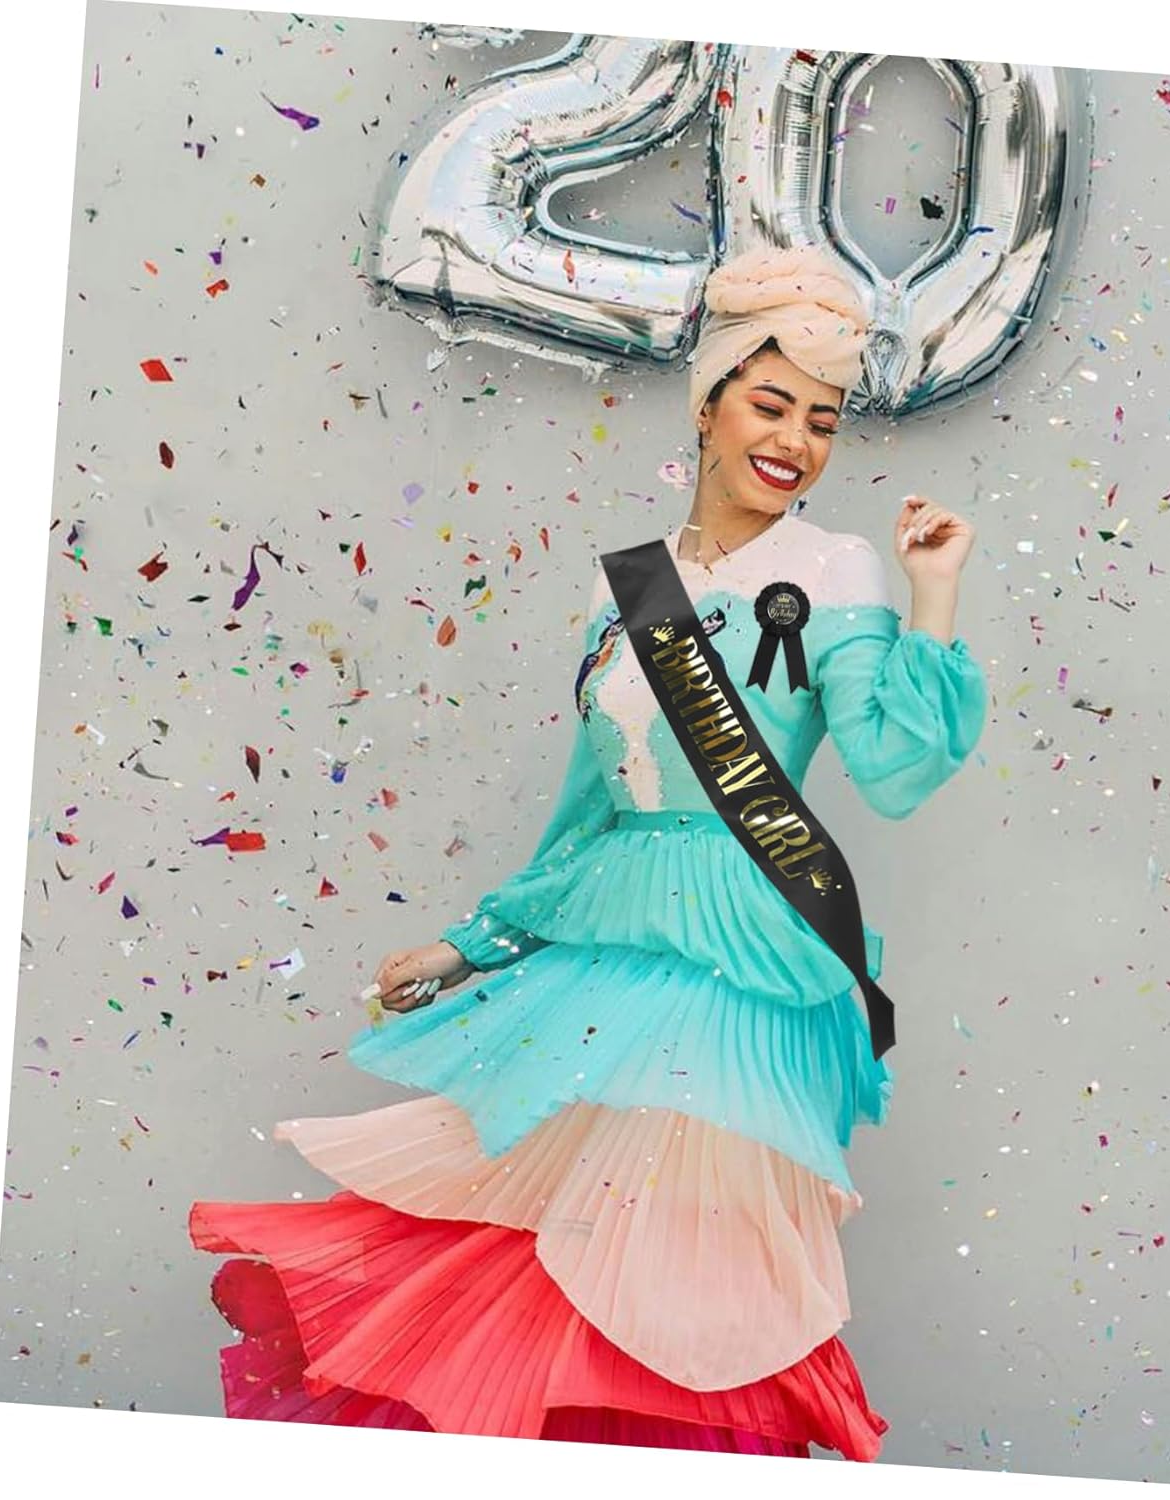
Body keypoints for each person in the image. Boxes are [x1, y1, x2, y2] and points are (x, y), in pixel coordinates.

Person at [187, 242, 988, 1460]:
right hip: (610, 956)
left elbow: (892, 765)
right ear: (709, 405)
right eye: (771, 405)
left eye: (823, 421)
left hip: (742, 959)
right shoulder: (632, 594)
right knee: (542, 1250)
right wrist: (467, 949)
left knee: (677, 1271)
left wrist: (933, 595)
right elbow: (584, 824)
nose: (796, 441)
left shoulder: (833, 569)